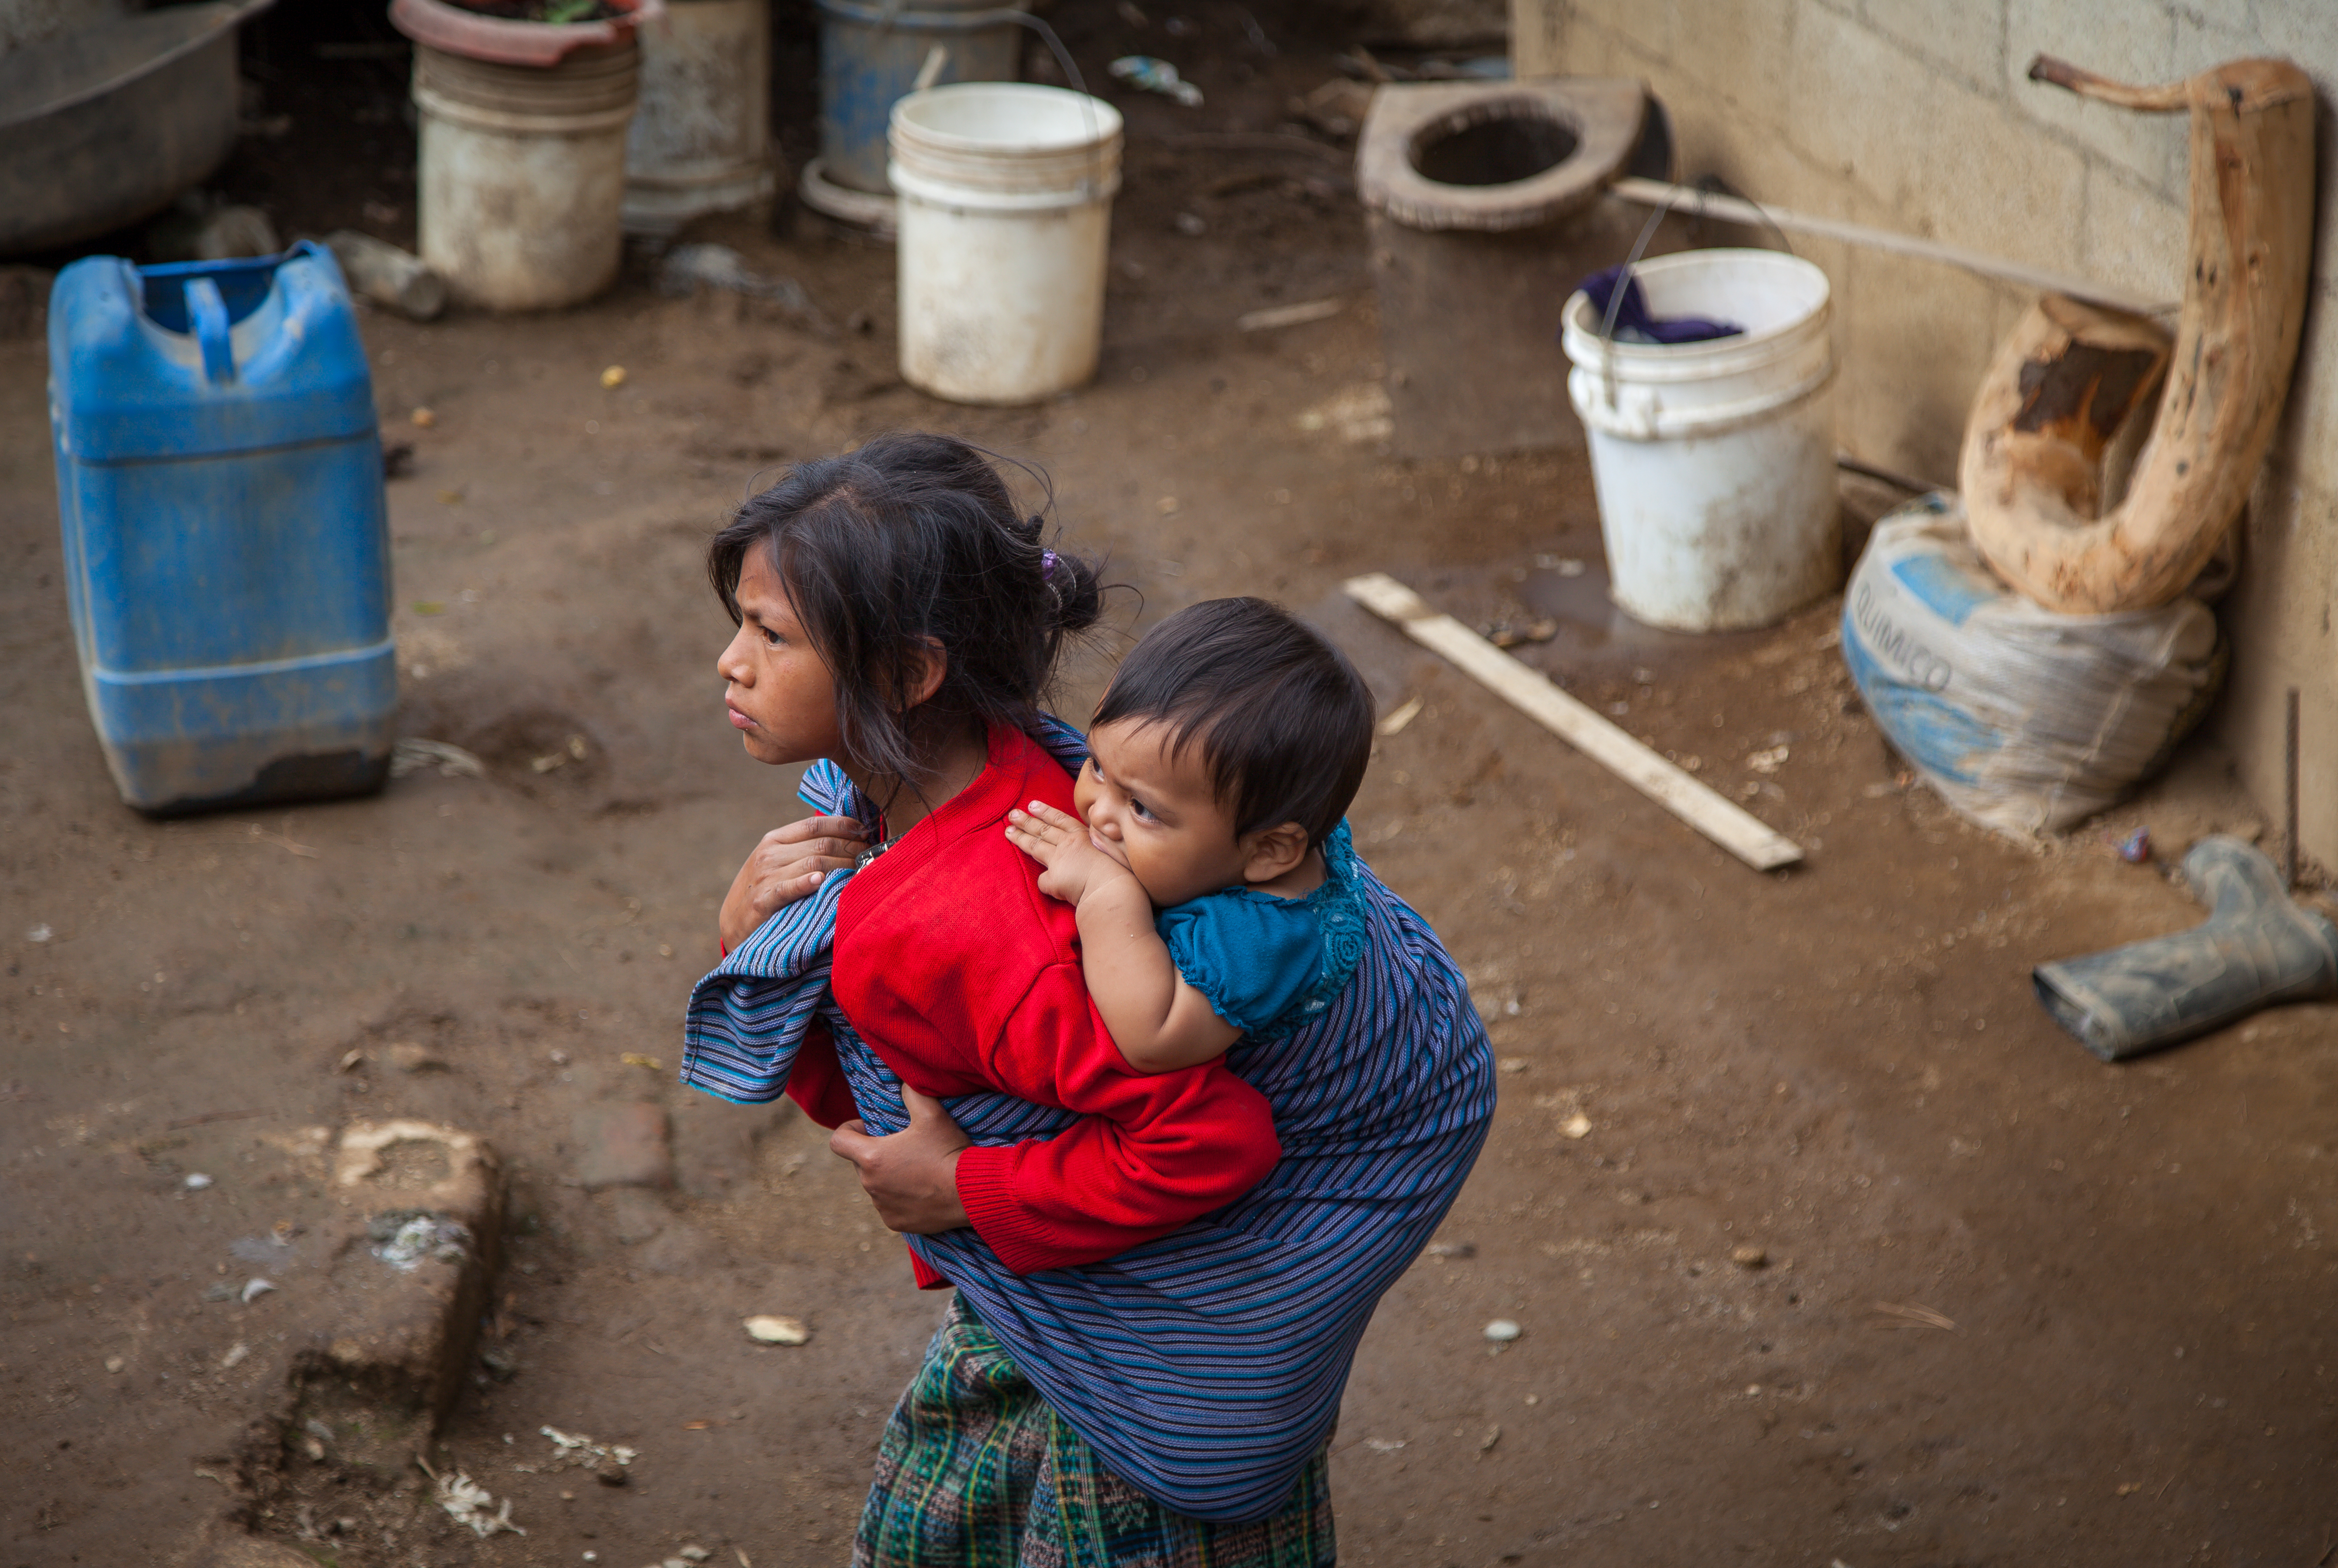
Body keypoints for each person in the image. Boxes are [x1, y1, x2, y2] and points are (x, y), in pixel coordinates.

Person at [680, 433, 1494, 1566]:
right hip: (1057, 1275)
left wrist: (964, 1183)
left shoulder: (967, 923)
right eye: (742, 623)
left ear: (913, 674)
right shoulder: (943, 778)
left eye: (770, 635)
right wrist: (743, 925)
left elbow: (1206, 1141)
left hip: (1199, 1263)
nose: (730, 661)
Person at [1003, 598, 1374, 1075]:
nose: (1098, 812)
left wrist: (1104, 891)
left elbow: (1150, 1036)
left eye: (1140, 808)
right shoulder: (1242, 824)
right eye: (1096, 765)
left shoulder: (1260, 941)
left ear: (1267, 851)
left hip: (1387, 1128)